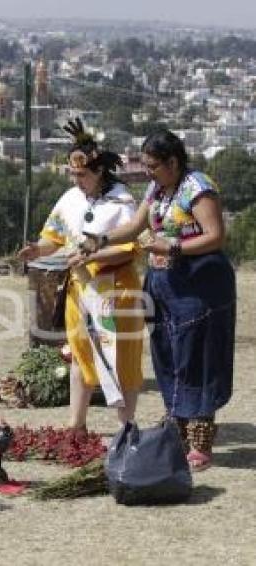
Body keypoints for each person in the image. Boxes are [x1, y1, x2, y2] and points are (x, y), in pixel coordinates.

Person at [82, 129, 235, 471]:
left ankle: (200, 438)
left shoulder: (197, 187)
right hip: (163, 285)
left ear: (173, 161)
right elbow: (136, 227)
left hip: (200, 285)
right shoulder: (157, 189)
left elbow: (215, 236)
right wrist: (100, 240)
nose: (147, 171)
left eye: (153, 165)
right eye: (146, 165)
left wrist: (174, 247)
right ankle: (177, 428)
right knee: (166, 352)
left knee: (195, 355)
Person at [19, 118, 143, 431]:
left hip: (117, 289)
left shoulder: (122, 202)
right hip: (80, 288)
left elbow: (130, 249)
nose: (76, 181)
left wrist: (93, 253)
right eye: (73, 174)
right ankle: (76, 424)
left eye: (82, 175)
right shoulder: (70, 199)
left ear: (99, 171)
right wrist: (37, 249)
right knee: (79, 353)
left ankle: (126, 428)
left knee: (123, 357)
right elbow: (55, 237)